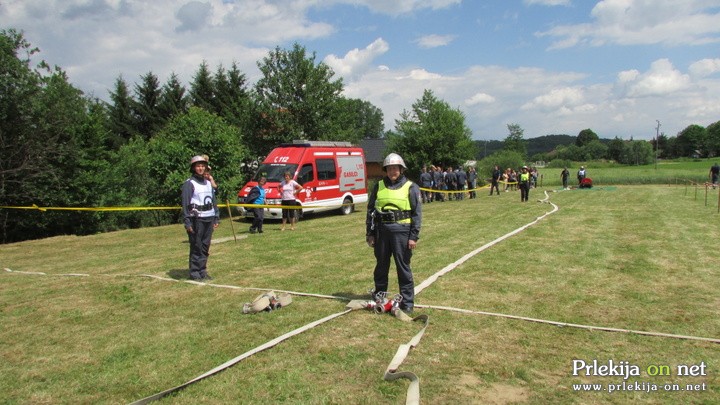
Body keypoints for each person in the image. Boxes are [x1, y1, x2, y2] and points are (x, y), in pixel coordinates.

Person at [366, 153, 422, 314]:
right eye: (389, 169)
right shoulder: (379, 186)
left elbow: (417, 214)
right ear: (386, 170)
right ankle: (380, 296)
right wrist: (369, 233)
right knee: (381, 266)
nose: (392, 171)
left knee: (403, 268)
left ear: (401, 169)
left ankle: (407, 302)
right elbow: (370, 210)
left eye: (395, 168)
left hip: (402, 233)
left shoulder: (411, 187)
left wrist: (413, 236)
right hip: (381, 232)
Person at [182, 155, 219, 281]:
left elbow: (213, 201)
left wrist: (216, 217)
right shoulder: (189, 184)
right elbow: (186, 205)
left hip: (209, 218)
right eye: (198, 166)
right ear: (193, 168)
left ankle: (202, 270)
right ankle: (194, 272)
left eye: (203, 166)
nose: (201, 168)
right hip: (196, 220)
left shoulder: (208, 183)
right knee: (196, 246)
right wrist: (187, 223)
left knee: (205, 247)